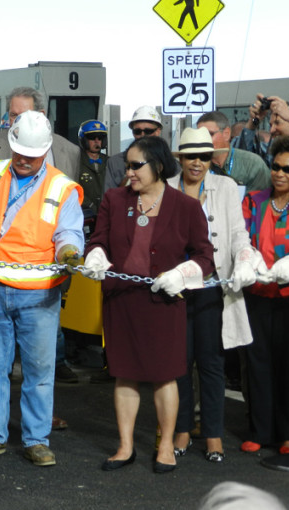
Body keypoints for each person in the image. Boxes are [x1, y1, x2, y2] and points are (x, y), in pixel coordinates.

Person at [84, 136, 214, 473]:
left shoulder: (185, 206)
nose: (129, 172)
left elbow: (204, 256)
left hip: (163, 302)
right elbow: (98, 240)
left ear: (158, 165)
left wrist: (182, 273)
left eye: (135, 165)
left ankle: (166, 446)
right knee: (124, 375)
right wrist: (96, 254)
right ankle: (125, 447)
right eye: (127, 165)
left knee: (164, 376)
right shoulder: (114, 200)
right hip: (122, 300)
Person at [0, 111, 84, 467]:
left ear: (45, 151)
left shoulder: (61, 187)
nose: (23, 161)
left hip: (38, 295)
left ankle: (35, 439)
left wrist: (69, 253)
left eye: (31, 156)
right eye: (18, 152)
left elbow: (69, 232)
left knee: (38, 372)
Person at [167, 128, 262, 463]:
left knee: (211, 363)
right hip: (176, 289)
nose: (198, 163)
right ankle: (181, 429)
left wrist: (245, 255)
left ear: (212, 158)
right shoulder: (166, 188)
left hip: (212, 286)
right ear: (180, 158)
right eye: (191, 156)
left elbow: (237, 232)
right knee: (179, 362)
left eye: (205, 156)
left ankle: (213, 433)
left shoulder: (226, 187)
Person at [240, 135, 289, 455]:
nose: (280, 173)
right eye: (276, 166)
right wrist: (246, 255)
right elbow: (240, 238)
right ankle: (260, 430)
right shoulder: (253, 202)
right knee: (256, 362)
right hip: (258, 293)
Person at [0, 86, 80, 195]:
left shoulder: (70, 151)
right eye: (13, 115)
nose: (18, 121)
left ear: (41, 115)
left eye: (24, 115)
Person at [196, 111, 271, 193]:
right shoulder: (194, 166)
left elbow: (262, 201)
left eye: (209, 134)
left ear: (226, 134)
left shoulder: (252, 164)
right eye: (199, 135)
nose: (203, 139)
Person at [104, 105, 173, 191]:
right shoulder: (115, 163)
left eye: (148, 131)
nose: (142, 135)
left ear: (158, 131)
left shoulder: (170, 162)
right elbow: (108, 199)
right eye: (137, 131)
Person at [77, 119, 110, 217]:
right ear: (84, 140)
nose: (97, 141)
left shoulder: (110, 162)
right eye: (92, 137)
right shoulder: (75, 162)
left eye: (100, 138)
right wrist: (89, 205)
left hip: (107, 214)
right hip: (84, 215)